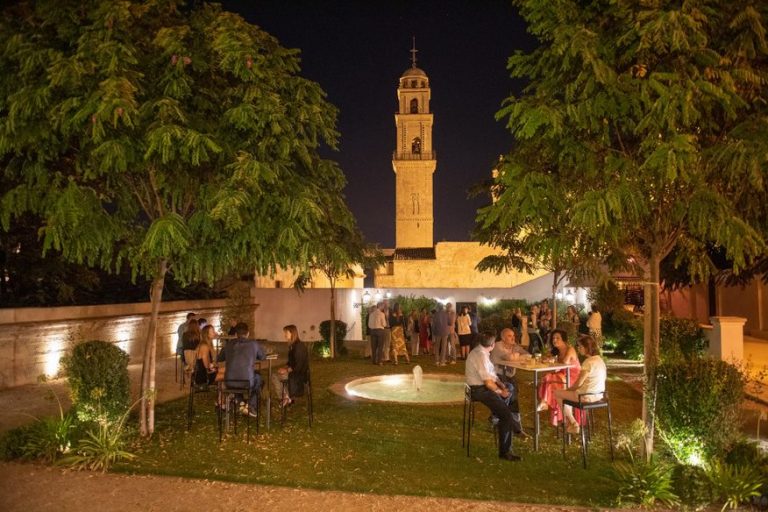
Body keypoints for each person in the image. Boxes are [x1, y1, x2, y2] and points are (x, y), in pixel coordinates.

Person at [465, 331, 522, 462]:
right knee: (507, 416)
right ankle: (505, 451)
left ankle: (498, 416)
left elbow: (492, 375)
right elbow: (488, 383)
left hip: (483, 387)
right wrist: (501, 392)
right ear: (491, 345)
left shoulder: (483, 352)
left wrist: (502, 385)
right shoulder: (481, 356)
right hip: (479, 390)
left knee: (510, 387)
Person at [555, 335, 607, 434]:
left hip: (585, 396)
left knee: (557, 393)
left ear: (587, 347)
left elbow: (578, 384)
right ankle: (571, 423)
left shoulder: (588, 362)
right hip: (599, 395)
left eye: (580, 346)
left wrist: (567, 390)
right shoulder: (600, 360)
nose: (578, 349)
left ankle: (573, 423)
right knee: (565, 395)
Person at [219, 322, 265, 418]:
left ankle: (241, 403)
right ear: (248, 333)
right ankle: (251, 406)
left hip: (229, 382)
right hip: (246, 382)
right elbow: (262, 357)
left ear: (235, 334)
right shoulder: (253, 344)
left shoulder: (228, 344)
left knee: (237, 378)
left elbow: (219, 358)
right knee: (258, 379)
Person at [537, 329, 581, 427]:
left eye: (557, 338)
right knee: (548, 377)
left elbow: (565, 363)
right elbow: (545, 359)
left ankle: (545, 402)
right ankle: (544, 402)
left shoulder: (570, 349)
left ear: (564, 340)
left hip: (574, 378)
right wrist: (548, 358)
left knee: (550, 379)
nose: (554, 340)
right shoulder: (556, 351)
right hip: (563, 376)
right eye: (553, 338)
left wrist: (551, 360)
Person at [490, 328, 529, 437]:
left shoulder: (514, 346)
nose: (513, 338)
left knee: (513, 396)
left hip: (509, 376)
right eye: (509, 336)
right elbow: (509, 357)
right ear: (502, 338)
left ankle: (501, 419)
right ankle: (509, 424)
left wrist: (516, 355)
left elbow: (528, 355)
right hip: (496, 377)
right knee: (511, 393)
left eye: (513, 335)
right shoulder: (497, 346)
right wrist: (517, 356)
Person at [271, 325, 309, 407]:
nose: (284, 335)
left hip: (299, 375)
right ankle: (286, 397)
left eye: (286, 333)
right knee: (274, 375)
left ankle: (285, 397)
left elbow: (299, 365)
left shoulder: (299, 346)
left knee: (275, 376)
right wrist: (284, 368)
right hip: (294, 373)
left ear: (292, 333)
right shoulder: (293, 346)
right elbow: (290, 362)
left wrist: (287, 370)